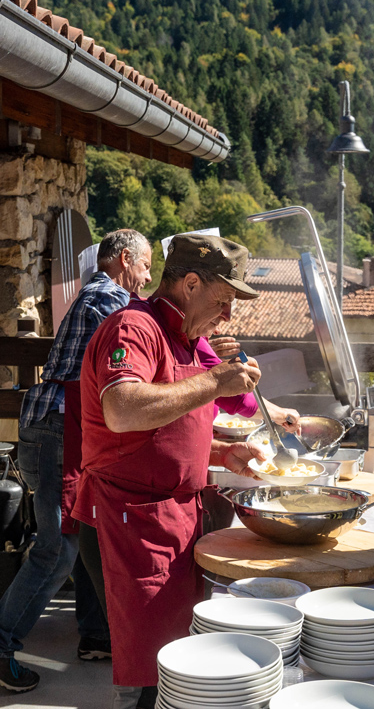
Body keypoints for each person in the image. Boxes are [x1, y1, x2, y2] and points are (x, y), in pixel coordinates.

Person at [71, 234, 300, 709]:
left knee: (177, 664)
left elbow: (166, 425)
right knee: (154, 676)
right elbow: (124, 410)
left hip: (169, 516)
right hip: (129, 521)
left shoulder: (187, 339)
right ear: (191, 283)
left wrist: (217, 453)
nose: (227, 316)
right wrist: (217, 379)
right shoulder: (132, 327)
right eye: (224, 301)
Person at [0, 229, 152, 694]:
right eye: (146, 266)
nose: (147, 277)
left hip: (62, 428)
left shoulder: (102, 296)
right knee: (57, 549)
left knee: (86, 530)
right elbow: (148, 339)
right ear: (125, 259)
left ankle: (97, 636)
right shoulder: (106, 298)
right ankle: (1, 646)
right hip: (56, 430)